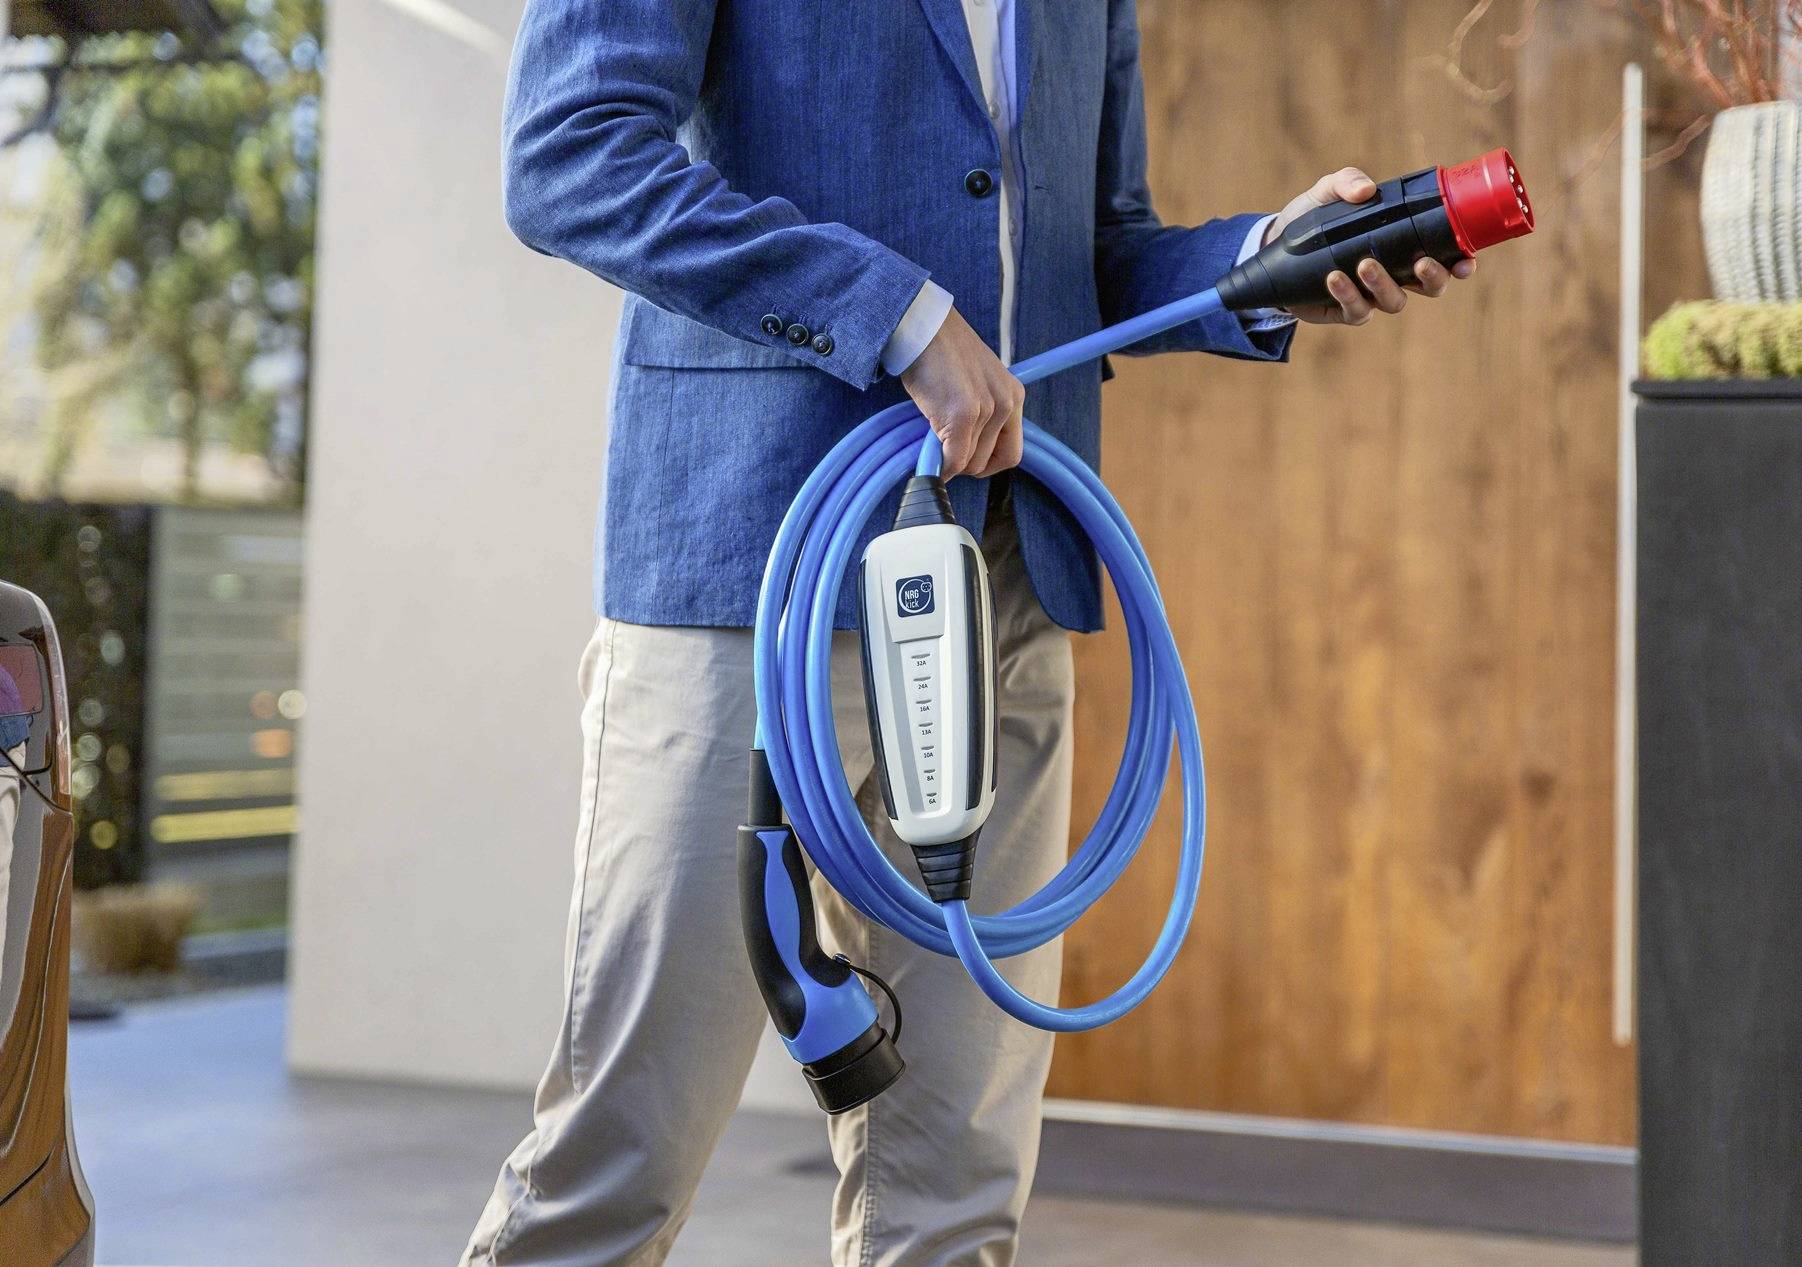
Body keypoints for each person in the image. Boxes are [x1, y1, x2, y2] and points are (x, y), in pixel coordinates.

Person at [462, 2, 1473, 1264]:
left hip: (1005, 579)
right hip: (753, 579)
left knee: (954, 1186)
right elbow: (569, 156)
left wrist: (1269, 257)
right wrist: (890, 311)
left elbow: (1085, 256)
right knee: (624, 1152)